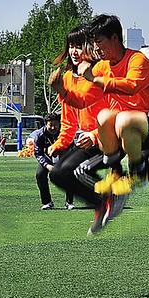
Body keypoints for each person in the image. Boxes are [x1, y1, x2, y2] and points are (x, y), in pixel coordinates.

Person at [56, 14, 149, 234]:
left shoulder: (137, 60)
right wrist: (62, 91)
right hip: (129, 128)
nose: (96, 48)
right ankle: (113, 177)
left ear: (115, 38)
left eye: (99, 41)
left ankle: (137, 173)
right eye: (93, 43)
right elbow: (83, 100)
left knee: (122, 120)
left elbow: (131, 87)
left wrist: (94, 79)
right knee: (104, 117)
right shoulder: (102, 67)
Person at [47, 27, 108, 214]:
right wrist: (60, 143)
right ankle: (103, 202)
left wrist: (94, 135)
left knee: (75, 171)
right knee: (56, 174)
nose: (74, 51)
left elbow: (83, 100)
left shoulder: (100, 73)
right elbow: (69, 120)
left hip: (107, 138)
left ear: (91, 47)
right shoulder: (67, 77)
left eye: (79, 46)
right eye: (71, 46)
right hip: (86, 141)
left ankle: (110, 197)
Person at [29, 113, 63, 209]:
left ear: (59, 124)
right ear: (45, 124)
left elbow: (71, 148)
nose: (53, 128)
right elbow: (38, 153)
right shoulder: (39, 135)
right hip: (47, 159)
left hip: (63, 158)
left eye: (55, 125)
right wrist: (47, 165)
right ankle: (47, 202)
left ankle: (69, 202)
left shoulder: (64, 133)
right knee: (40, 174)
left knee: (70, 173)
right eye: (50, 125)